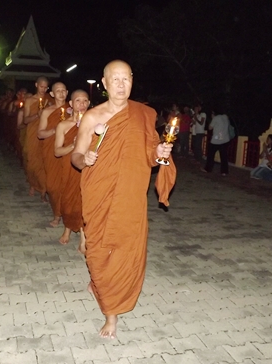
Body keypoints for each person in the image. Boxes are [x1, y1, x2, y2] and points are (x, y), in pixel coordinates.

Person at [71, 60, 175, 339]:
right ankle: (100, 286)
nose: (120, 84)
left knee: (124, 252)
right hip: (99, 195)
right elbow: (75, 157)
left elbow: (151, 155)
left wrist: (160, 152)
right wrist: (86, 158)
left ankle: (111, 314)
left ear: (132, 81)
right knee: (97, 252)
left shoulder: (144, 114)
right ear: (104, 84)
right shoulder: (92, 117)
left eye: (125, 79)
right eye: (114, 79)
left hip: (130, 197)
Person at [54, 89, 89, 251]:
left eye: (85, 101)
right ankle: (67, 229)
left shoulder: (94, 124)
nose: (81, 105)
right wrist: (73, 146)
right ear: (71, 104)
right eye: (78, 101)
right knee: (68, 202)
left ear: (89, 103)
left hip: (85, 168)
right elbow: (57, 151)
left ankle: (83, 238)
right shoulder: (63, 125)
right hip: (68, 167)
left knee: (83, 201)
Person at [37, 82, 69, 227]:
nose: (61, 93)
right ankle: (56, 212)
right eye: (58, 91)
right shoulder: (47, 111)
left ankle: (64, 214)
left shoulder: (72, 109)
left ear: (67, 93)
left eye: (63, 90)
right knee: (52, 186)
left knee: (67, 184)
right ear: (52, 94)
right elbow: (40, 133)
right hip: (51, 151)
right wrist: (54, 130)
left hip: (68, 149)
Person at [23, 76, 51, 201]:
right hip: (32, 134)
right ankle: (33, 184)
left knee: (43, 163)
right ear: (36, 85)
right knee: (32, 163)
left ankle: (43, 190)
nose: (43, 89)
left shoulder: (49, 100)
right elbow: (25, 120)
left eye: (46, 87)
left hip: (44, 134)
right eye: (41, 86)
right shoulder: (29, 101)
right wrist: (37, 115)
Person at [202, 107, 231, 175]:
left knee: (210, 155)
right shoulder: (225, 117)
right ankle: (224, 171)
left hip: (216, 140)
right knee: (224, 156)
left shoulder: (216, 118)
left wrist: (212, 118)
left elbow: (210, 127)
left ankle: (208, 169)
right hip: (225, 139)